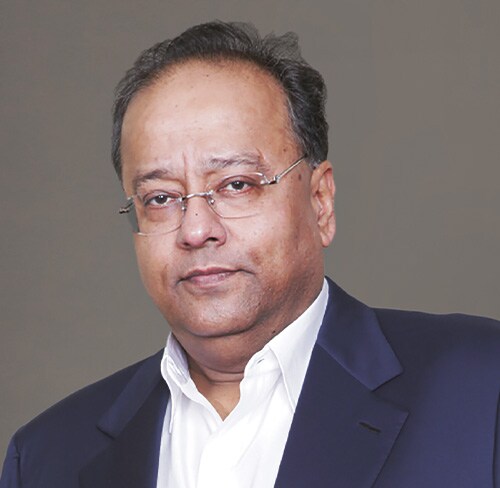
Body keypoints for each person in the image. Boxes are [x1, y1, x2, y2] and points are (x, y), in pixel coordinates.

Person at [1, 20, 499, 488]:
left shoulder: (480, 387)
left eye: (236, 184)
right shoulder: (47, 458)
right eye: (161, 198)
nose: (196, 229)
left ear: (320, 202)